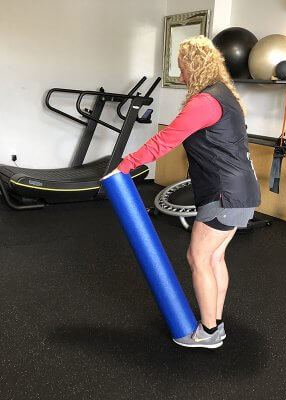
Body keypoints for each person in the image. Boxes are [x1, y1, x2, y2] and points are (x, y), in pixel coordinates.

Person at [103, 35, 261, 349]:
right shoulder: (225, 95)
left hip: (224, 195)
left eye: (182, 69)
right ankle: (215, 322)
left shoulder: (204, 101)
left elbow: (166, 140)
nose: (181, 76)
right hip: (241, 193)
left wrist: (126, 164)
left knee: (198, 257)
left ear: (194, 67)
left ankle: (209, 332)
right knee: (215, 258)